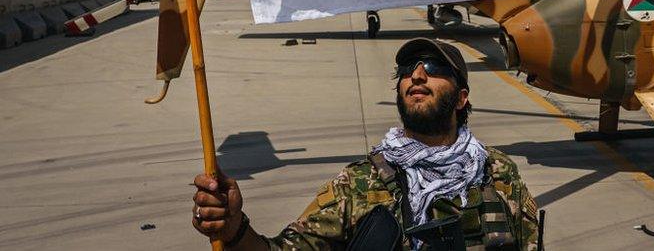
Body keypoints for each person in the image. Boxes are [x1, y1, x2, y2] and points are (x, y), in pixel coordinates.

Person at [191, 38, 540, 250]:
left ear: (462, 98)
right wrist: (234, 229)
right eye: (407, 69)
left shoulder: (496, 172)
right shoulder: (360, 184)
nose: (416, 75)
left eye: (433, 67)